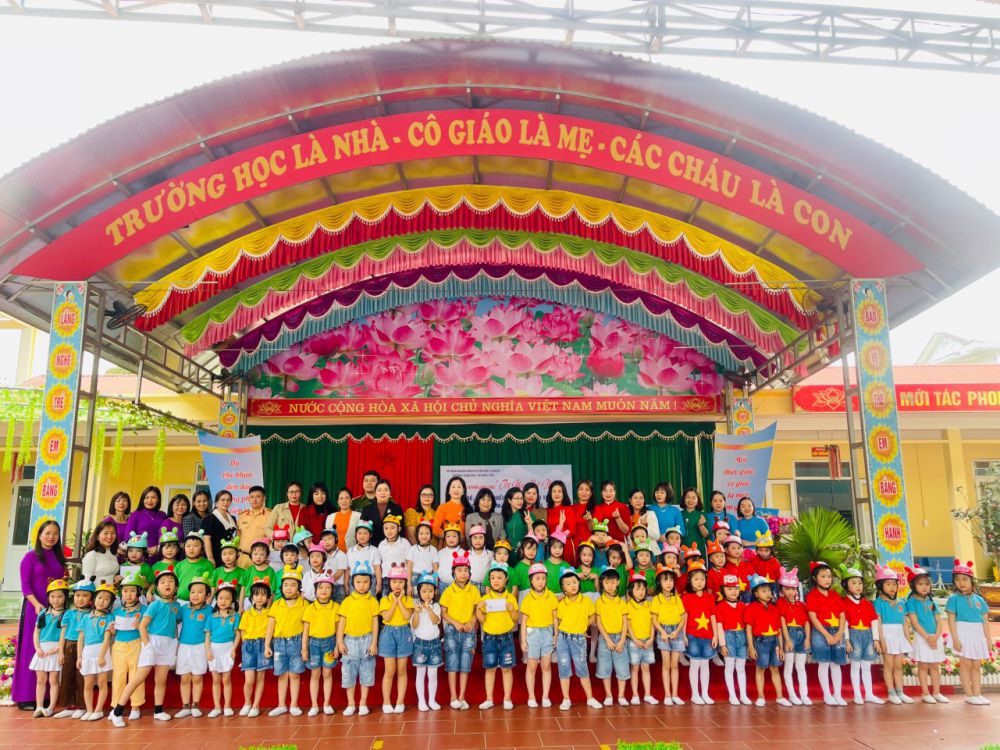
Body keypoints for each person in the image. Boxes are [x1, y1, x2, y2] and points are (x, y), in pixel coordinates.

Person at [108, 568, 183, 726]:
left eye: (171, 582)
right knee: (138, 678)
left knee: (161, 680)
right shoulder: (154, 605)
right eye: (162, 582)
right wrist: (147, 645)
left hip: (168, 644)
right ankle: (117, 711)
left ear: (176, 587)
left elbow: (175, 626)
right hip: (152, 642)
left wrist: (175, 644)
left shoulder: (177, 607)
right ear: (157, 587)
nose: (167, 584)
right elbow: (142, 626)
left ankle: (158, 711)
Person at [14, 519, 67, 709]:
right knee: (33, 648)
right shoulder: (30, 557)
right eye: (47, 533)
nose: (51, 537)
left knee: (51, 646)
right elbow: (25, 586)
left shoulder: (59, 557)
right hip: (34, 609)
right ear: (39, 535)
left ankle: (45, 698)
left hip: (56, 610)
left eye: (55, 533)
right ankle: (25, 697)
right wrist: (37, 605)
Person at [553, 567, 602, 711]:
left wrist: (582, 625)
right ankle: (566, 699)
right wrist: (556, 635)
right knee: (564, 669)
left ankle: (590, 698)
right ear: (563, 587)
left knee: (582, 668)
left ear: (579, 583)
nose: (572, 586)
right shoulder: (561, 603)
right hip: (563, 638)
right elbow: (559, 620)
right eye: (568, 584)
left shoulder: (586, 601)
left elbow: (592, 617)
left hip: (579, 639)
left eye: (574, 582)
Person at [337, 561, 381, 716]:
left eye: (365, 582)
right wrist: (340, 641)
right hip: (350, 641)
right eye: (358, 582)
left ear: (370, 583)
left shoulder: (373, 601)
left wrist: (374, 643)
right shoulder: (347, 601)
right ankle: (351, 703)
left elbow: (375, 623)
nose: (362, 585)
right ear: (352, 582)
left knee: (367, 672)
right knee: (349, 673)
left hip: (367, 640)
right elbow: (342, 623)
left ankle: (363, 703)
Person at [947, 559, 993, 706]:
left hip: (977, 634)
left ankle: (977, 694)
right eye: (957, 579)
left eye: (964, 579)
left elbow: (985, 621)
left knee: (976, 665)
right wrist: (955, 638)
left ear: (972, 581)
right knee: (966, 664)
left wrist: (988, 639)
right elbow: (951, 620)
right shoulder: (953, 599)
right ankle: (968, 694)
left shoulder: (979, 600)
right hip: (963, 633)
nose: (961, 582)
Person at [265, 565, 307, 717]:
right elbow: (271, 625)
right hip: (279, 643)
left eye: (293, 585)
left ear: (299, 588)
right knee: (282, 674)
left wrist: (304, 648)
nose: (289, 588)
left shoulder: (304, 605)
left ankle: (294, 704)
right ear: (281, 587)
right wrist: (267, 645)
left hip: (297, 642)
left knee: (295, 674)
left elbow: (306, 628)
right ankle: (281, 704)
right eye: (286, 585)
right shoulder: (277, 604)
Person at [440, 550, 480, 709]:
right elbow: (443, 612)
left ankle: (462, 697)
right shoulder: (448, 591)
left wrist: (472, 620)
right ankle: (453, 697)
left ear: (469, 573)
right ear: (453, 573)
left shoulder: (474, 590)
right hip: (452, 631)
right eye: (459, 570)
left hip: (469, 632)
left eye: (465, 570)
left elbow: (477, 609)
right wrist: (455, 622)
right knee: (452, 664)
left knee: (465, 664)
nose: (462, 573)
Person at [745, 574, 792, 707]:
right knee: (760, 668)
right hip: (760, 642)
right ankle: (761, 696)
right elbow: (748, 628)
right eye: (764, 591)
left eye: (769, 591)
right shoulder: (751, 608)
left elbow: (779, 630)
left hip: (774, 642)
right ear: (755, 593)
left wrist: (781, 648)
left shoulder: (774, 608)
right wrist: (751, 646)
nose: (768, 593)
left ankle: (780, 697)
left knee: (775, 668)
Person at [476, 562, 518, 710]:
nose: (496, 580)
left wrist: (512, 609)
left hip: (506, 638)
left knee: (506, 668)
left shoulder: (510, 598)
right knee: (490, 668)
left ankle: (507, 698)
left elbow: (515, 619)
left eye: (500, 577)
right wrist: (479, 610)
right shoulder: (485, 598)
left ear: (506, 580)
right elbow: (481, 620)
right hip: (489, 638)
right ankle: (489, 698)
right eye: (493, 577)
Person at [904, 564, 948, 704]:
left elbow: (939, 621)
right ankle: (925, 693)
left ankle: (936, 692)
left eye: (927, 584)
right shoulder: (911, 602)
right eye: (920, 584)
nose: (924, 587)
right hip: (922, 638)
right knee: (923, 666)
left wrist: (936, 636)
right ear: (913, 585)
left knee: (935, 665)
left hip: (935, 637)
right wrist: (928, 638)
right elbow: (915, 623)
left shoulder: (931, 601)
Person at [806, 560, 847, 706]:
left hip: (837, 631)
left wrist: (840, 632)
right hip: (820, 632)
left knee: (836, 664)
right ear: (815, 578)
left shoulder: (835, 595)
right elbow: (813, 617)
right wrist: (827, 635)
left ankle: (838, 694)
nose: (827, 579)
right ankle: (827, 695)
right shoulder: (812, 596)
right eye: (823, 576)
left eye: (829, 576)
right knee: (823, 664)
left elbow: (842, 615)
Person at [108, 573, 146, 722]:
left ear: (138, 592)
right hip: (119, 645)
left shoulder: (144, 610)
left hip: (136, 644)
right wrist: (112, 629)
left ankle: (136, 706)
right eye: (125, 591)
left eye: (132, 591)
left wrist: (140, 626)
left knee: (135, 675)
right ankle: (116, 706)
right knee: (118, 676)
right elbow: (113, 633)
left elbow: (149, 630)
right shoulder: (117, 611)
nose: (128, 594)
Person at [519, 563, 557, 708]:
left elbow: (555, 618)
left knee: (546, 666)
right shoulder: (528, 598)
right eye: (537, 578)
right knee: (532, 666)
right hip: (532, 633)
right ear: (531, 580)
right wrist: (523, 640)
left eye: (543, 578)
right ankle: (531, 696)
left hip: (547, 633)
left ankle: (545, 696)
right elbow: (524, 622)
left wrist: (555, 635)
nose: (540, 581)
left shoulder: (551, 596)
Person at [841, 566, 881, 705]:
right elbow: (844, 623)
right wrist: (847, 640)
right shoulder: (844, 603)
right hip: (854, 635)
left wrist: (876, 639)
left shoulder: (867, 603)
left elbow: (874, 621)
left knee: (866, 667)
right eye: (853, 583)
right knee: (855, 666)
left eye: (860, 583)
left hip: (868, 635)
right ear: (846, 585)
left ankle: (869, 694)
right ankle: (857, 694)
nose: (858, 586)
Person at [29, 579, 68, 717]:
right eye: (52, 596)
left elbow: (65, 635)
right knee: (40, 680)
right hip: (42, 650)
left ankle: (51, 707)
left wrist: (57, 649)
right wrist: (37, 648)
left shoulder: (66, 614)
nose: (56, 600)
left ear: (65, 597)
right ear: (48, 597)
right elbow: (36, 632)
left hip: (56, 649)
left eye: (59, 596)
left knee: (54, 680)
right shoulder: (43, 613)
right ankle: (39, 706)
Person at [77, 582, 115, 720]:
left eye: (106, 599)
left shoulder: (109, 618)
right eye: (99, 598)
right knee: (88, 683)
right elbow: (81, 638)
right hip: (87, 652)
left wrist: (101, 656)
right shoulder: (85, 617)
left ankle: (98, 710)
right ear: (94, 599)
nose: (102, 601)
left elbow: (107, 639)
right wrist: (79, 657)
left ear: (110, 603)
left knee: (102, 682)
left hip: (101, 651)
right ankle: (89, 710)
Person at [53, 579, 92, 718]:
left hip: (84, 647)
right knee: (67, 676)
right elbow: (63, 633)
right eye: (77, 595)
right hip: (69, 646)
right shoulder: (69, 613)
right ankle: (69, 706)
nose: (80, 599)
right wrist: (61, 652)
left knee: (81, 677)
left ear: (91, 598)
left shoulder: (91, 614)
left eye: (85, 595)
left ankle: (82, 706)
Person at [378, 564, 414, 714]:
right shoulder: (384, 600)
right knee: (389, 671)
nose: (397, 585)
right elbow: (386, 617)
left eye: (400, 581)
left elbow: (407, 616)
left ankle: (400, 701)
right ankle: (386, 701)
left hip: (404, 633)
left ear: (405, 582)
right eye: (394, 582)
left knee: (402, 670)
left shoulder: (408, 599)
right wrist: (394, 602)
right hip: (388, 633)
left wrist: (399, 601)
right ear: (389, 583)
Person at [302, 570, 338, 716]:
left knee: (327, 673)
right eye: (321, 587)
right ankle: (314, 705)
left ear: (332, 590)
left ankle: (327, 703)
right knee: (315, 674)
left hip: (330, 643)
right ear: (315, 591)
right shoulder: (310, 608)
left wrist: (337, 646)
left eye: (328, 587)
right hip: (313, 644)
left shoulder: (336, 607)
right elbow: (305, 630)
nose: (324, 590)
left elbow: (338, 630)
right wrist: (304, 649)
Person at [174, 575, 212, 718]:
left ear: (207, 595)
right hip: (184, 646)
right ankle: (185, 706)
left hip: (200, 647)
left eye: (200, 592)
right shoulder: (183, 608)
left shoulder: (210, 610)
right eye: (193, 592)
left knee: (197, 677)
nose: (195, 595)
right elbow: (174, 622)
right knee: (185, 677)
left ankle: (195, 705)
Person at [681, 560, 716, 704]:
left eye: (702, 579)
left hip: (707, 635)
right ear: (690, 580)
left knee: (705, 664)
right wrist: (683, 635)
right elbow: (684, 617)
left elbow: (713, 616)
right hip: (692, 635)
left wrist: (715, 635)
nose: (699, 582)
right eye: (696, 579)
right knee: (695, 664)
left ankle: (705, 693)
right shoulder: (686, 597)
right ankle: (695, 694)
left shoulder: (710, 597)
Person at [237, 576, 272, 717]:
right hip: (249, 646)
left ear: (268, 598)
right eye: (256, 595)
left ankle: (256, 705)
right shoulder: (247, 613)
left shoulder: (270, 614)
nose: (259, 598)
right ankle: (247, 703)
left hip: (263, 645)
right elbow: (242, 630)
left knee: (260, 677)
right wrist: (245, 645)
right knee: (249, 679)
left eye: (263, 595)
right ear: (251, 597)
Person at [651, 566, 686, 705]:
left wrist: (677, 632)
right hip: (663, 632)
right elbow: (654, 619)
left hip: (676, 631)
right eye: (665, 580)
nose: (669, 583)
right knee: (666, 664)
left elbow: (682, 618)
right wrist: (662, 632)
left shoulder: (677, 599)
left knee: (674, 665)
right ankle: (667, 695)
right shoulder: (656, 599)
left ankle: (675, 694)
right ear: (659, 582)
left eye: (671, 580)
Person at [594, 567, 629, 707]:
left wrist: (622, 640)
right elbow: (598, 622)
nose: (610, 586)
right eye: (606, 582)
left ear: (618, 582)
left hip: (620, 637)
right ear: (602, 583)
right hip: (605, 639)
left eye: (613, 582)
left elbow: (625, 622)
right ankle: (608, 695)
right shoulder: (599, 602)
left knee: (622, 667)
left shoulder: (622, 602)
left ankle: (621, 695)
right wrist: (607, 640)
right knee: (605, 667)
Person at [776, 567, 811, 705]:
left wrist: (807, 638)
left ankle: (804, 694)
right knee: (789, 666)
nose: (790, 592)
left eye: (793, 589)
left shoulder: (801, 605)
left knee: (801, 666)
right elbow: (782, 622)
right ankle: (792, 695)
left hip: (801, 634)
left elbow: (806, 622)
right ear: (781, 590)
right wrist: (787, 639)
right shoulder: (780, 603)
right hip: (789, 634)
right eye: (787, 589)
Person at [206, 580, 240, 717]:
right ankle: (217, 707)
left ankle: (227, 706)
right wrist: (208, 651)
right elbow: (207, 636)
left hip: (228, 648)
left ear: (232, 600)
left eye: (227, 598)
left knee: (226, 678)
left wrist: (234, 649)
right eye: (220, 598)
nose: (223, 601)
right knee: (216, 679)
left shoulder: (235, 616)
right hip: (214, 648)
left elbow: (238, 634)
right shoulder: (211, 616)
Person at [410, 572, 443, 712]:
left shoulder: (436, 606)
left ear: (435, 592)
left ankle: (432, 700)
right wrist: (417, 612)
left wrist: (429, 608)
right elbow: (414, 625)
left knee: (433, 673)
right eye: (424, 591)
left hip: (434, 643)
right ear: (419, 592)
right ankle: (421, 701)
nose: (427, 594)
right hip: (420, 644)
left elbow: (436, 621)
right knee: (420, 673)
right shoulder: (415, 606)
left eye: (430, 591)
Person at [715, 574, 750, 706]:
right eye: (729, 589)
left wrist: (749, 643)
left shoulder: (743, 606)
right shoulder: (721, 606)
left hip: (741, 637)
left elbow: (747, 626)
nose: (733, 592)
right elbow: (719, 626)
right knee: (729, 667)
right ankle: (732, 695)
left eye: (736, 588)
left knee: (741, 667)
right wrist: (722, 645)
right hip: (728, 636)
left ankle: (743, 695)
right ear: (723, 590)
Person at [625, 573, 657, 705]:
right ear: (631, 590)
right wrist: (634, 639)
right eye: (637, 589)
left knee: (646, 668)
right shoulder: (628, 606)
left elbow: (652, 623)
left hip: (647, 641)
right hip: (634, 642)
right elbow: (627, 625)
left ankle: (647, 695)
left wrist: (651, 638)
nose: (641, 592)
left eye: (643, 589)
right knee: (635, 668)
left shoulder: (649, 605)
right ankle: (635, 695)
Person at [123, 486, 168, 558]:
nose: (150, 500)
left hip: (160, 554)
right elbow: (128, 536)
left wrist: (158, 548)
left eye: (153, 497)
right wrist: (143, 549)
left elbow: (166, 535)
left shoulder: (163, 515)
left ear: (158, 500)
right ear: (142, 500)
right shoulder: (135, 514)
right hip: (139, 555)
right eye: (147, 497)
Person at [360, 479, 405, 547]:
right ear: (375, 493)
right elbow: (361, 530)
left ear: (390, 493)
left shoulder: (397, 508)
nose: (383, 492)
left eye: (386, 490)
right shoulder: (367, 509)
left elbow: (401, 531)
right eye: (379, 490)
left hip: (392, 547)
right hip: (371, 547)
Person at [545, 481, 581, 564]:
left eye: (559, 491)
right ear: (550, 494)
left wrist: (560, 537)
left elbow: (573, 530)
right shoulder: (547, 511)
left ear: (563, 493)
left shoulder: (568, 509)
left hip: (566, 545)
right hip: (551, 546)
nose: (556, 494)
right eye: (554, 491)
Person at [237, 486, 272, 568]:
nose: (254, 499)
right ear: (248, 499)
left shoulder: (271, 515)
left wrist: (268, 556)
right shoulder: (242, 516)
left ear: (264, 498)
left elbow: (273, 538)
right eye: (252, 497)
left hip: (261, 559)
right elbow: (238, 537)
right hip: (243, 558)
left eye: (258, 497)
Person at [200, 489, 237, 567]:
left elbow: (231, 536)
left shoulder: (232, 518)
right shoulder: (209, 518)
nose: (226, 502)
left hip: (227, 556)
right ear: (216, 502)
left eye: (228, 500)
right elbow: (206, 539)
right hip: (214, 554)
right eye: (223, 500)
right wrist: (210, 558)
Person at [175, 530, 214, 601]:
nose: (191, 548)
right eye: (188, 546)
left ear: (202, 548)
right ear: (184, 548)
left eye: (195, 546)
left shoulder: (207, 564)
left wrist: (208, 600)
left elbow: (212, 584)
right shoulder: (179, 565)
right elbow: (174, 584)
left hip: (200, 602)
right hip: (179, 601)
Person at [377, 514, 411, 596]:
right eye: (386, 528)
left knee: (402, 599)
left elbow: (409, 563)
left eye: (392, 528)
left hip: (401, 578)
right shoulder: (381, 545)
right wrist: (379, 583)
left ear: (399, 529)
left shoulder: (405, 543)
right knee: (386, 600)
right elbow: (379, 564)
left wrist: (409, 582)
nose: (389, 531)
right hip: (386, 579)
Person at [347, 520, 383, 595]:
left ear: (370, 535)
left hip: (370, 580)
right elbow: (347, 569)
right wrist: (346, 584)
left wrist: (379, 584)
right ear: (355, 535)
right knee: (354, 599)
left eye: (365, 533)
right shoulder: (350, 551)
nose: (362, 536)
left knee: (370, 599)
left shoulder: (374, 550)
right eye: (359, 533)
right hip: (354, 580)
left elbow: (377, 568)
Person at [82, 521, 120, 587]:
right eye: (106, 533)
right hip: (97, 592)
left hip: (111, 591)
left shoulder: (113, 554)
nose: (110, 536)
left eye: (113, 533)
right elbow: (86, 582)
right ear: (97, 536)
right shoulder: (91, 555)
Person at [406, 517, 438, 591]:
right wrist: (409, 585)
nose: (424, 536)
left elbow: (435, 569)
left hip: (429, 576)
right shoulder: (413, 549)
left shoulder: (433, 550)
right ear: (417, 535)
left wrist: (436, 585)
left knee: (427, 595)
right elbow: (409, 567)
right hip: (415, 576)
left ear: (431, 535)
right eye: (421, 533)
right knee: (415, 596)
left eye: (427, 533)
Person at [646, 483, 683, 549]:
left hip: (671, 547)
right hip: (653, 545)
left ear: (668, 494)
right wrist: (658, 538)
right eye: (657, 492)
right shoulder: (649, 509)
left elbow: (682, 530)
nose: (659, 495)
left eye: (662, 493)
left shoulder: (675, 510)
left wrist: (668, 536)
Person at [433, 476, 468, 541]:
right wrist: (451, 538)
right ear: (448, 491)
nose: (456, 489)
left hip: (465, 546)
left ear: (463, 491)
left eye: (459, 487)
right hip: (448, 545)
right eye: (453, 487)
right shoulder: (442, 507)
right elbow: (435, 528)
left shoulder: (468, 508)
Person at [328, 486, 361, 554]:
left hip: (352, 554)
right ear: (338, 501)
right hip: (334, 554)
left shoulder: (358, 516)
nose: (344, 501)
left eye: (347, 498)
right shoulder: (330, 517)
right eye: (341, 498)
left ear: (351, 501)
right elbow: (327, 537)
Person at [104, 491, 132, 558]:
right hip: (112, 556)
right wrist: (115, 550)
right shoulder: (108, 520)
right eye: (118, 500)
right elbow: (102, 539)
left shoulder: (131, 520)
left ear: (128, 504)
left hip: (129, 557)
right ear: (113, 503)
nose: (121, 503)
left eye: (124, 500)